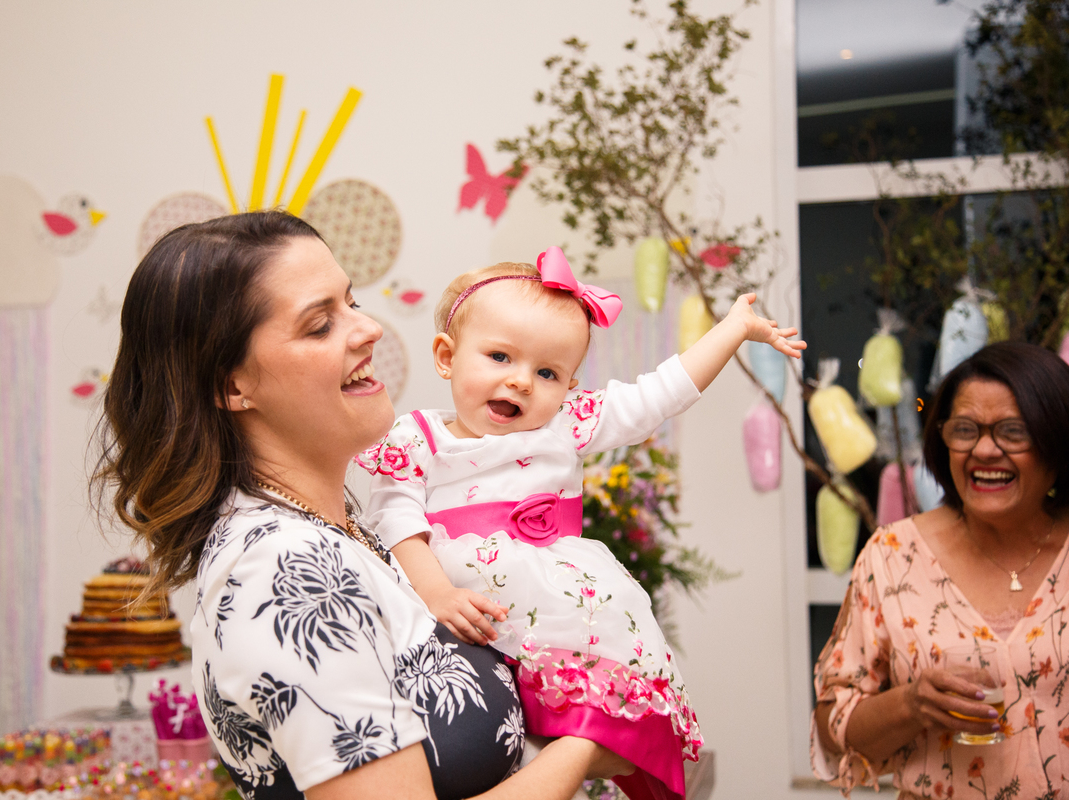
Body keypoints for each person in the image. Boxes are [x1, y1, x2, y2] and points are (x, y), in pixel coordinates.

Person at [91, 212, 635, 800]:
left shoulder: (340, 528)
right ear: (231, 385)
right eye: (321, 324)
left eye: (352, 302)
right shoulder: (285, 572)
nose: (368, 328)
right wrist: (586, 741)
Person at [356, 250, 805, 800]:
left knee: (587, 722)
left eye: (547, 372)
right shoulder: (416, 437)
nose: (521, 382)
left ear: (570, 386)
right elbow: (394, 516)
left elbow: (659, 394)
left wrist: (732, 329)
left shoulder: (567, 425)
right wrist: (437, 592)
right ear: (447, 357)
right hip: (451, 597)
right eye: (500, 357)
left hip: (552, 603)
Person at [812, 342, 1069, 798]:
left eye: (1013, 431)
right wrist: (912, 704)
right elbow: (836, 726)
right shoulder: (892, 556)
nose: (985, 450)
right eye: (965, 429)